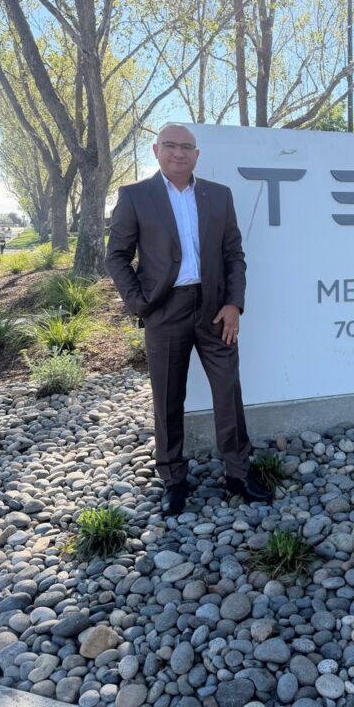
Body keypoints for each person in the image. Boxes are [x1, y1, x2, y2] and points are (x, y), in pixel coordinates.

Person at [105, 123, 268, 514]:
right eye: (170, 146)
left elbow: (234, 255)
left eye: (186, 147)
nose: (178, 153)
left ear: (197, 155)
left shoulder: (218, 195)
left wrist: (234, 303)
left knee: (228, 391)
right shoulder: (135, 196)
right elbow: (117, 256)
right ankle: (174, 478)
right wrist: (140, 304)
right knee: (167, 397)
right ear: (156, 150)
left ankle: (238, 472)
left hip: (215, 309)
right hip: (165, 310)